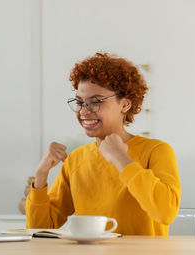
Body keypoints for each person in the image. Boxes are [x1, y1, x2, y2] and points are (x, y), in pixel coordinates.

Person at [26, 52, 181, 235]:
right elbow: (41, 229)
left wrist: (121, 158)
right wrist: (41, 174)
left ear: (125, 105)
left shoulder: (156, 151)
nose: (84, 111)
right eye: (79, 102)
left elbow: (166, 213)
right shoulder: (76, 159)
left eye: (96, 101)